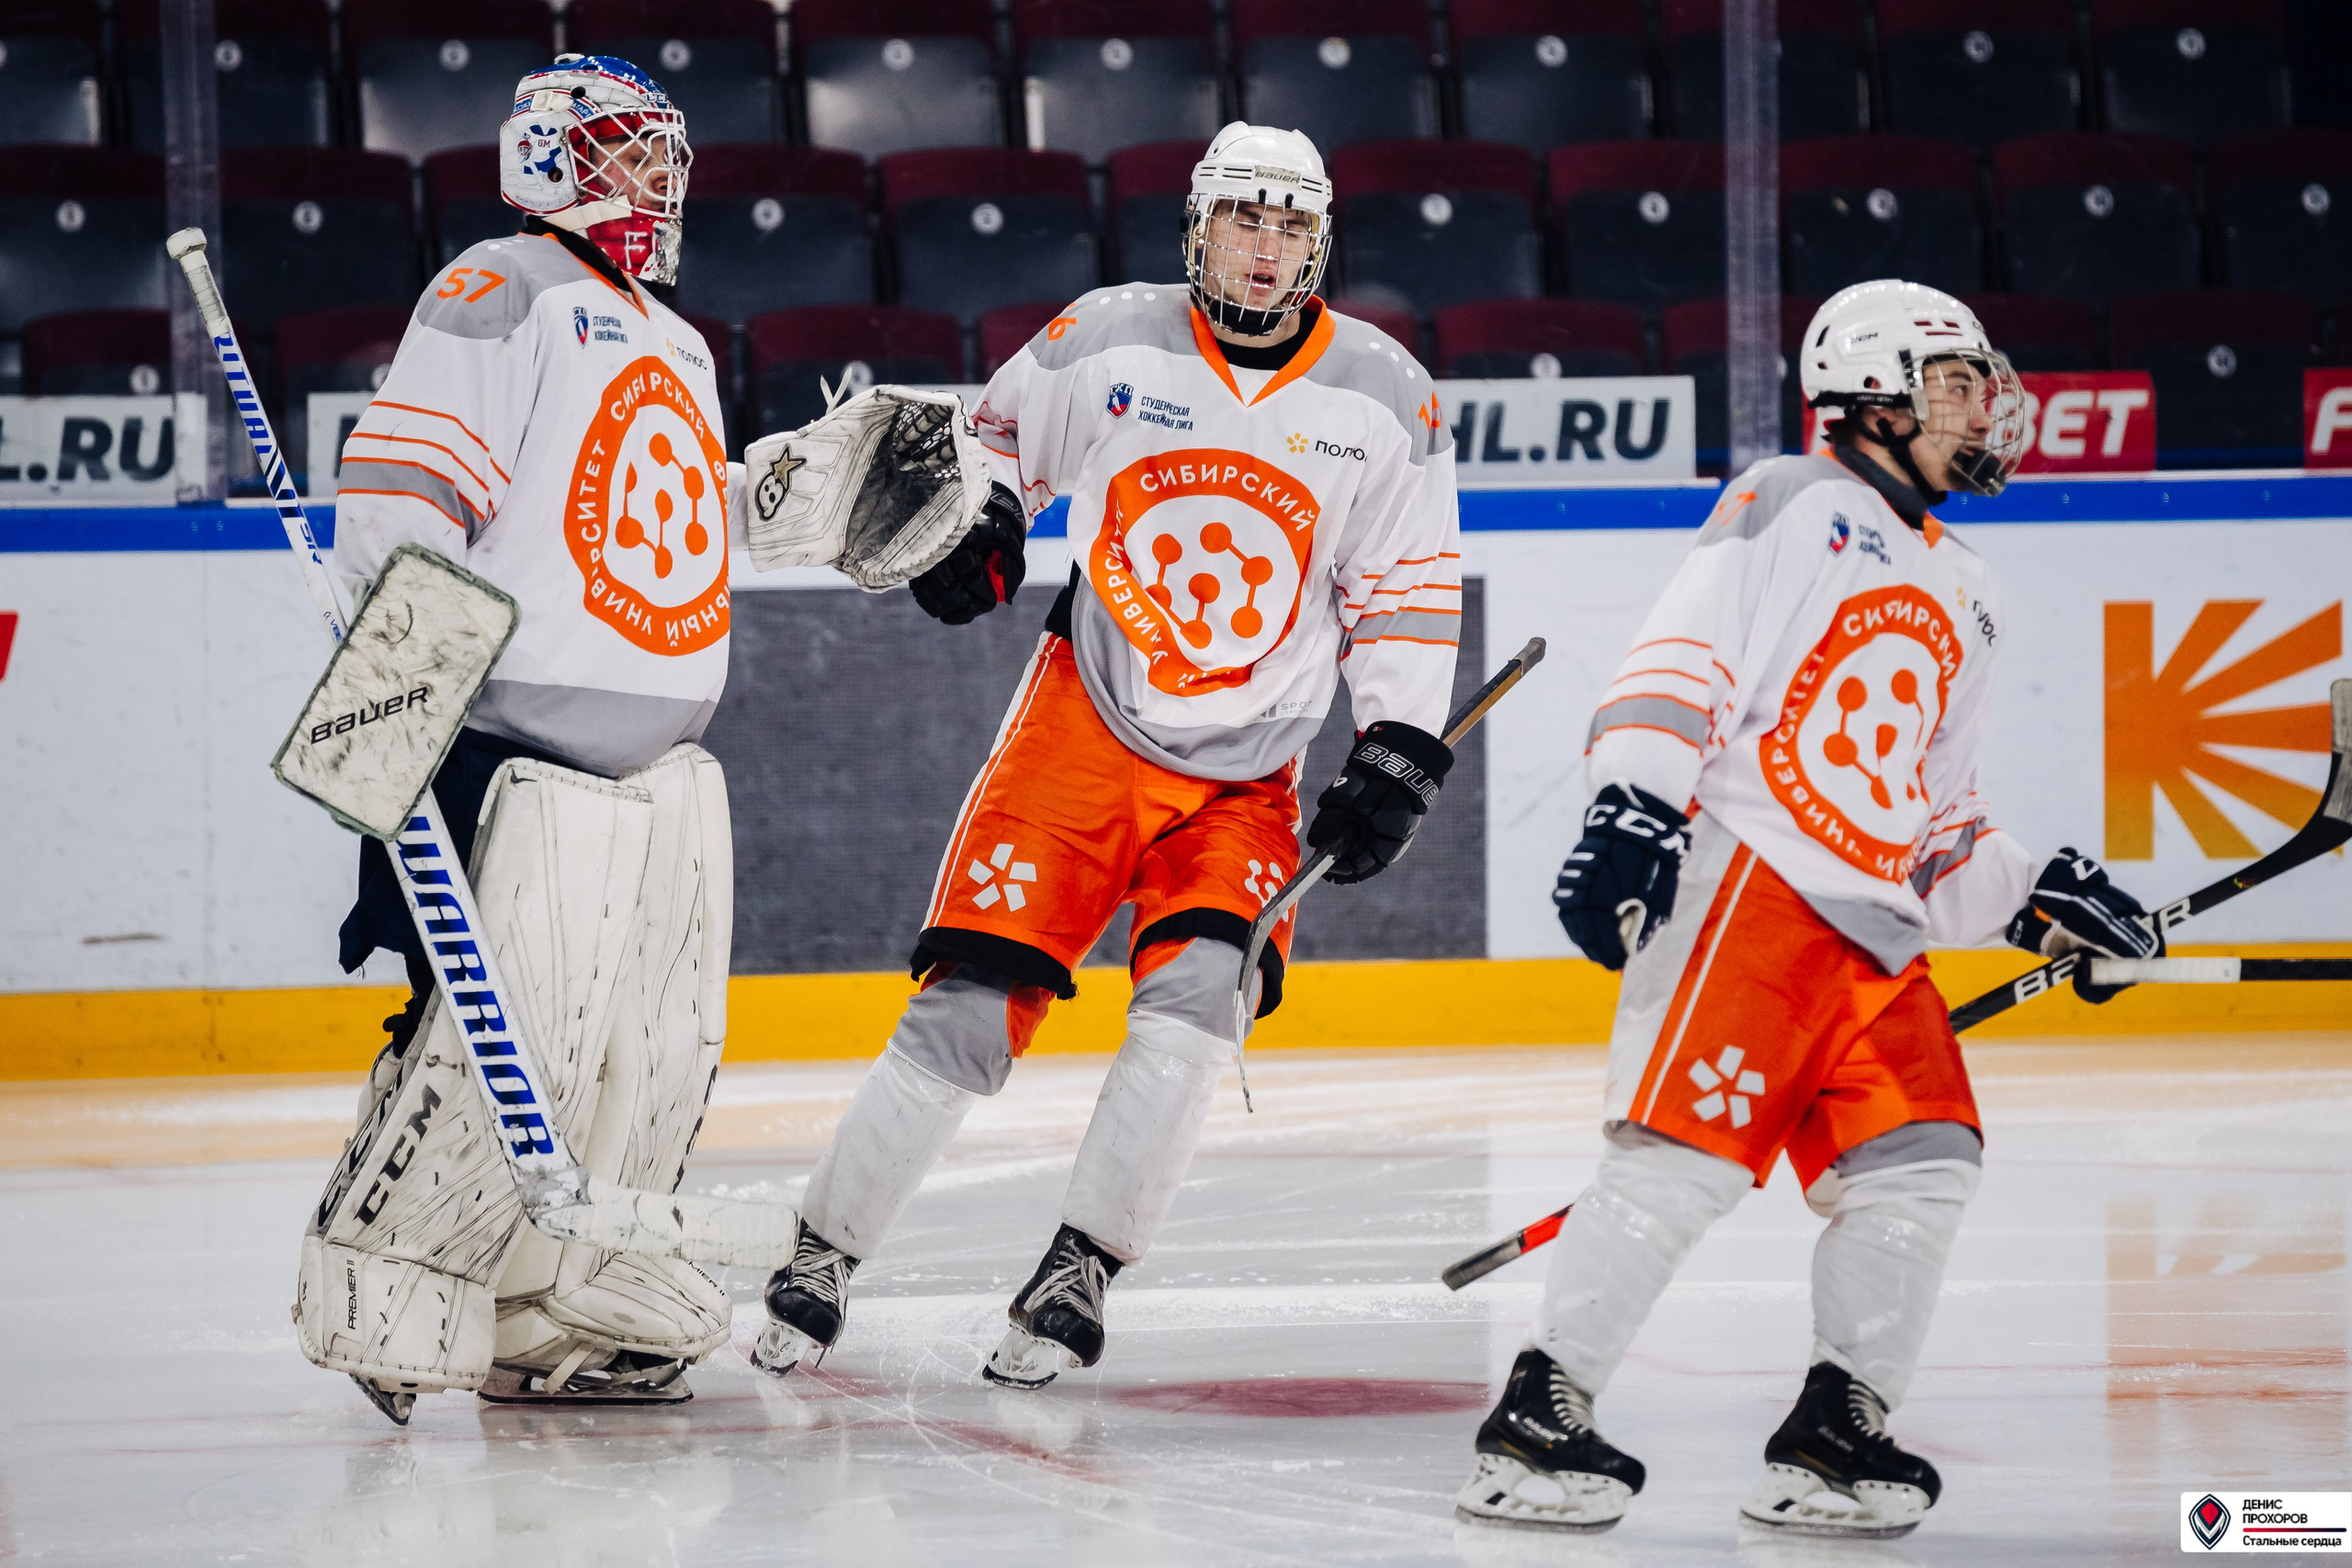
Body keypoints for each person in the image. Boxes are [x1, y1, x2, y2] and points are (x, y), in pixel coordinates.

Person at [752, 120, 1465, 1391]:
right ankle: (823, 1253)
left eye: (1292, 224)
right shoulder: (1107, 338)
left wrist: (1400, 744)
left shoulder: (1385, 391)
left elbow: (1405, 587)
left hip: (1248, 774)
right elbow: (993, 446)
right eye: (1244, 219)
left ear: (1320, 242)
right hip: (1083, 728)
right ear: (1197, 228)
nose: (1266, 247)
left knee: (1198, 1009)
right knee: (970, 1007)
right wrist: (983, 526)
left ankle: (1082, 1263)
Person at [1452, 280, 2161, 1539]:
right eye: (1952, 384)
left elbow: (1937, 827)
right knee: (1677, 1165)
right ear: (1872, 392)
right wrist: (1633, 809)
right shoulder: (1795, 500)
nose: (1980, 408)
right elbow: (1682, 662)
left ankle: (1836, 1434)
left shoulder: (1974, 593)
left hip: (1876, 938)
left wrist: (2042, 895)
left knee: (1925, 1164)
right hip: (1753, 887)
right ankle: (1535, 1422)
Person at [295, 54, 747, 1424]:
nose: (655, 181)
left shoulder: (675, 337)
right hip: (506, 751)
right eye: (623, 152)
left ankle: (555, 1308)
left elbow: (669, 524)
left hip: (650, 770)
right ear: (547, 157)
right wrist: (403, 713)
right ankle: (394, 1296)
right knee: (496, 1043)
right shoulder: (504, 286)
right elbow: (397, 499)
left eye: (665, 155)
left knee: (637, 1054)